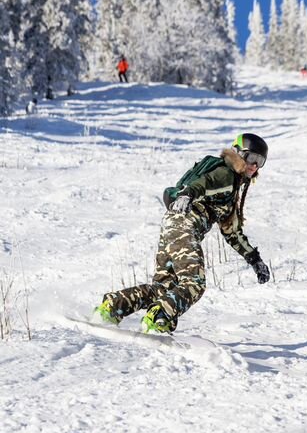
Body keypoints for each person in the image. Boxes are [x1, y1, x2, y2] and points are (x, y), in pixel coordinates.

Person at [95, 133, 270, 333]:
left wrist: (255, 260)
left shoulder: (232, 187)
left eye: (260, 161)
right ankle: (159, 318)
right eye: (251, 158)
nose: (254, 166)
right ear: (239, 154)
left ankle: (113, 306)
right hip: (184, 226)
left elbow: (232, 232)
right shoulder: (226, 175)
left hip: (172, 224)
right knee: (194, 283)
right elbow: (204, 184)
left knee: (165, 289)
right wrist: (188, 194)